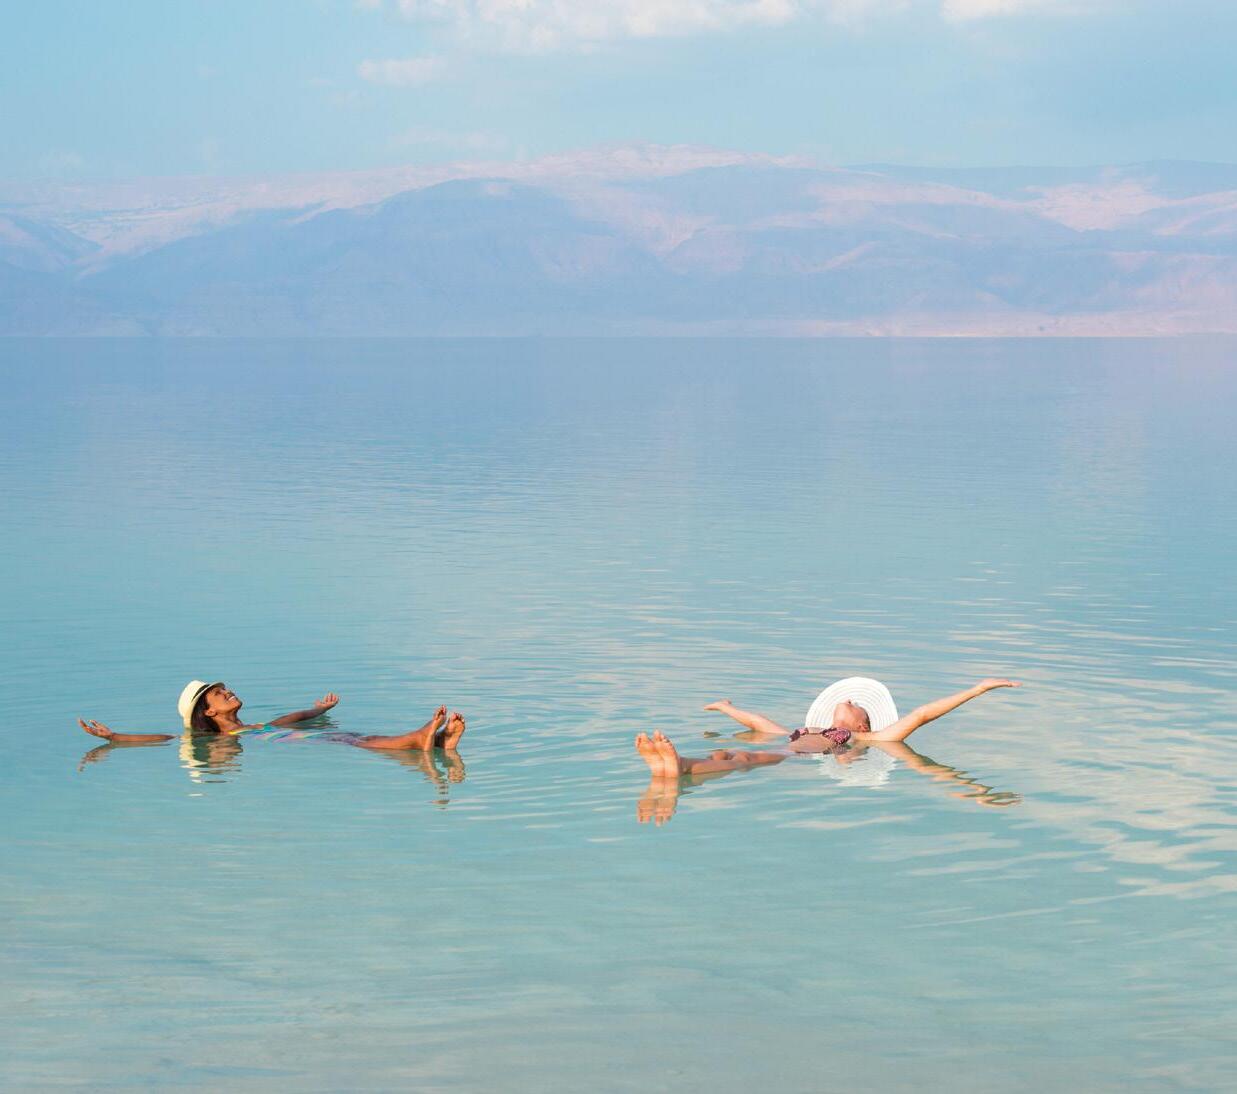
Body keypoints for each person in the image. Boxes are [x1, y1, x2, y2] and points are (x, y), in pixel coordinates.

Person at [634, 678, 1020, 779]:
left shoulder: (866, 737)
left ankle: (681, 765)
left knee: (744, 758)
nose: (848, 698)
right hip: (785, 749)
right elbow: (761, 724)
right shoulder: (809, 728)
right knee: (726, 753)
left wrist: (977, 689)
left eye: (856, 703)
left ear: (863, 723)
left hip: (792, 759)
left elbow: (920, 715)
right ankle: (677, 768)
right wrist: (727, 708)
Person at [78, 679, 466, 753]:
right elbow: (163, 739)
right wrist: (114, 737)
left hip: (301, 736)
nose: (228, 692)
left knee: (357, 737)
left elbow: (294, 716)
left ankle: (438, 742)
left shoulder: (254, 726)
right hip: (303, 742)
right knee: (357, 741)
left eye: (226, 688)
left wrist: (322, 709)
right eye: (219, 694)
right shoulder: (216, 739)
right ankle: (421, 737)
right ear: (208, 711)